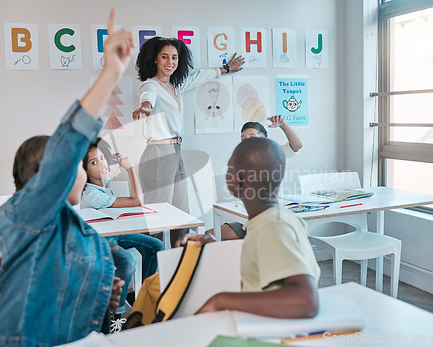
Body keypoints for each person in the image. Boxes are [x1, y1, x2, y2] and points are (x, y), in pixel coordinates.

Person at [0, 9, 133, 345]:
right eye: (77, 165)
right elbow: (66, 151)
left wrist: (101, 293)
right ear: (51, 178)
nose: (81, 169)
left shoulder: (75, 228)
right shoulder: (24, 215)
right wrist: (110, 73)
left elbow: (66, 298)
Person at [178, 137, 320, 318]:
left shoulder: (272, 225)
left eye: (229, 169)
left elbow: (306, 301)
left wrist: (220, 300)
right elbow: (262, 259)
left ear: (237, 181)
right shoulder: (272, 219)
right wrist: (216, 247)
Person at [132, 37, 244, 243]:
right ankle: (152, 266)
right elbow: (147, 97)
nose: (170, 62)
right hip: (158, 153)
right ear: (155, 60)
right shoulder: (151, 85)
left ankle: (181, 262)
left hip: (176, 152)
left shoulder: (174, 86)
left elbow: (199, 77)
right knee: (156, 215)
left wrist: (226, 69)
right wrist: (146, 107)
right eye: (164, 56)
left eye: (174, 57)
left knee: (181, 214)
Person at [81, 137, 163, 319]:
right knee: (127, 263)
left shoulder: (102, 182)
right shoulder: (92, 195)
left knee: (157, 246)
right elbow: (136, 201)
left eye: (103, 158)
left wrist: (116, 163)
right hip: (101, 239)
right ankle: (115, 314)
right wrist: (131, 169)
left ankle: (141, 297)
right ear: (85, 170)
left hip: (115, 232)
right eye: (94, 162)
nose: (102, 164)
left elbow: (110, 175)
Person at [209, 114, 303, 240]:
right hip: (246, 222)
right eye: (243, 139)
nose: (247, 142)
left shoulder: (273, 155)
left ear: (265, 139)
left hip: (265, 223)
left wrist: (283, 125)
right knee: (205, 236)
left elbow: (296, 146)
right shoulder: (241, 160)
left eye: (252, 137)